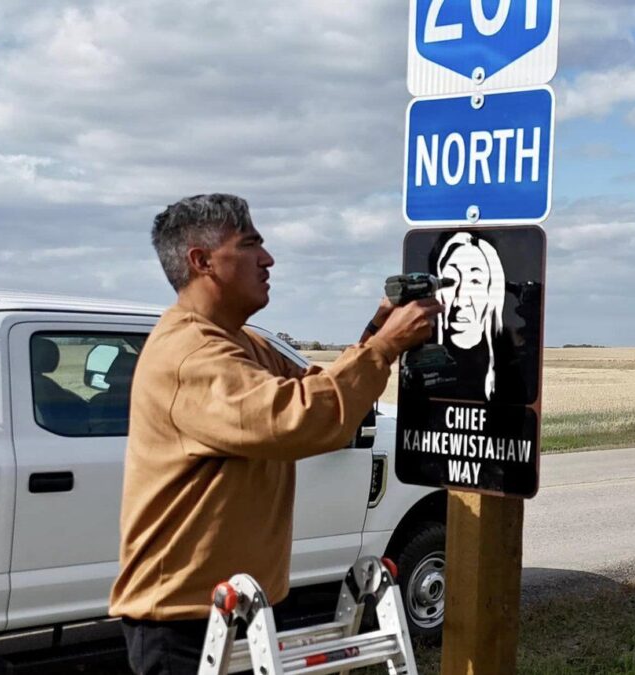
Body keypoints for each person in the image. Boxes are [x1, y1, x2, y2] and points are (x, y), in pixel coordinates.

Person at [108, 193, 441, 674]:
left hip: (237, 608)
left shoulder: (239, 342)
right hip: (185, 622)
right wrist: (385, 348)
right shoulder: (190, 354)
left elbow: (314, 389)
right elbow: (295, 419)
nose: (268, 259)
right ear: (202, 261)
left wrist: (376, 331)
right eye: (249, 245)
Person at [434, 231, 506, 401]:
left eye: (475, 281)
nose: (461, 300)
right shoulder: (420, 377)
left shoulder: (510, 381)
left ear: (492, 295)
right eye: (450, 281)